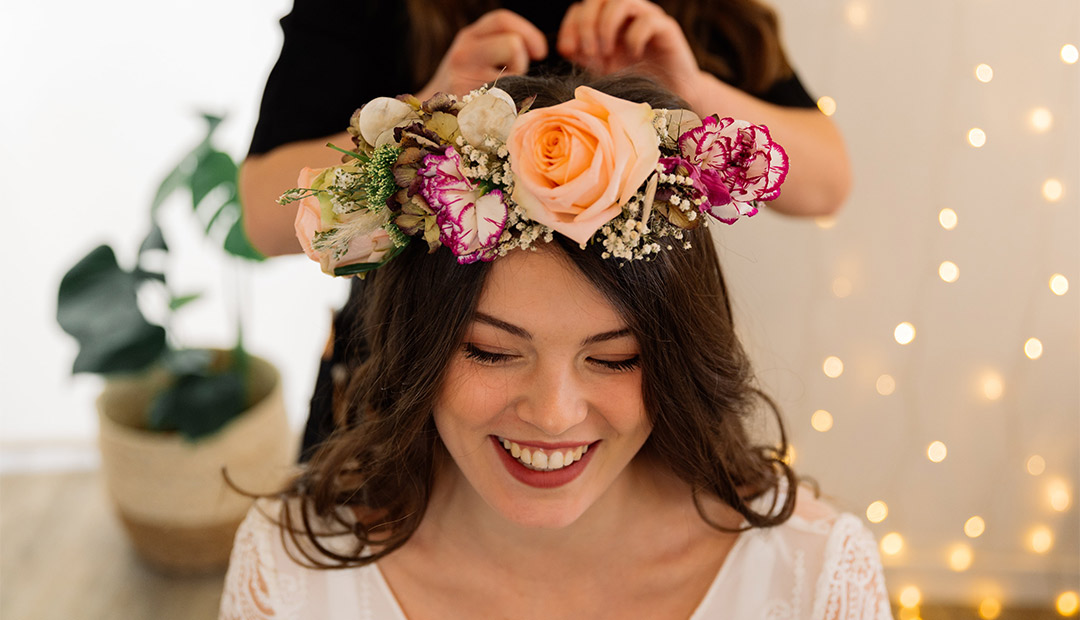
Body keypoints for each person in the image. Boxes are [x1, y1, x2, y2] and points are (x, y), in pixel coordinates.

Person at [220, 73, 889, 619]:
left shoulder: (814, 578)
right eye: (489, 351)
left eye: (614, 357)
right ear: (418, 350)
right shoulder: (288, 575)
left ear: (679, 359)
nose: (553, 414)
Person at [243, 0, 852, 461]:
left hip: (633, 401)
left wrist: (690, 92)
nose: (551, 417)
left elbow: (826, 181)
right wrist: (429, 106)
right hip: (403, 387)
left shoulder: (693, 11)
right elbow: (263, 218)